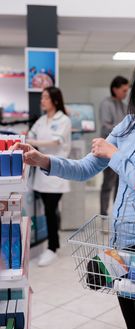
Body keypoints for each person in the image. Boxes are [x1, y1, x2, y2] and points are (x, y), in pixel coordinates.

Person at [13, 48, 135, 329]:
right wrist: (44, 160)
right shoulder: (130, 124)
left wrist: (116, 155)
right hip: (122, 247)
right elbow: (87, 166)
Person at [26, 86, 71, 267]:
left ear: (55, 100)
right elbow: (30, 135)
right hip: (42, 174)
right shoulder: (41, 120)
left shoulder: (64, 120)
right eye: (42, 97)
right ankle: (53, 245)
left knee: (51, 211)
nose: (42, 100)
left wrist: (32, 143)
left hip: (56, 173)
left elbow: (55, 142)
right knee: (47, 210)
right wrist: (31, 141)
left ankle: (53, 247)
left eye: (45, 97)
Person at [99, 75, 129, 215]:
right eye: (124, 90)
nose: (126, 93)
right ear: (114, 89)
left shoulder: (124, 106)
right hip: (108, 150)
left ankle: (117, 214)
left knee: (120, 183)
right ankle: (104, 215)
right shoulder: (106, 104)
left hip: (122, 151)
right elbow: (106, 126)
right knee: (108, 184)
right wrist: (123, 131)